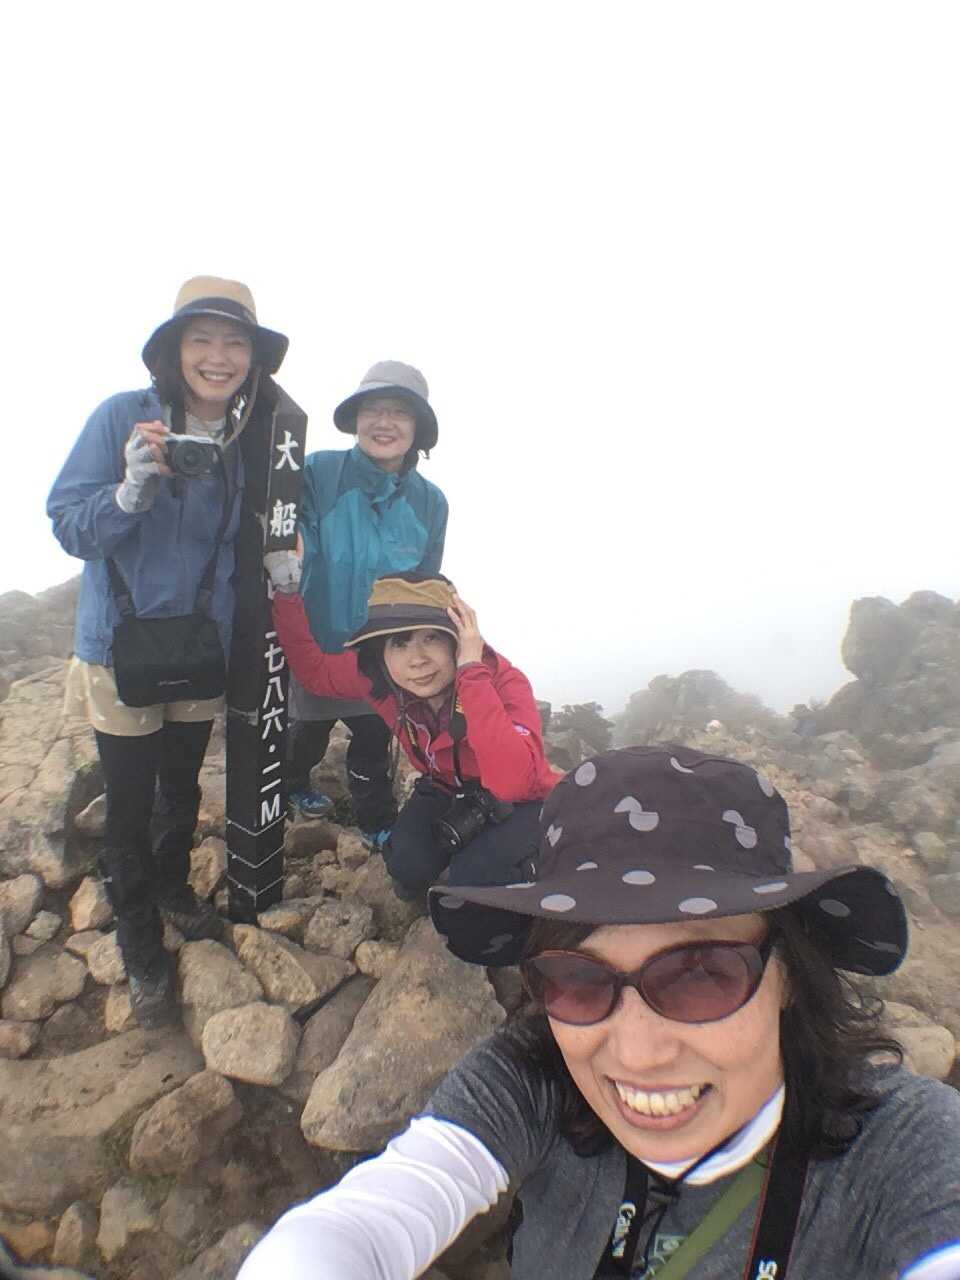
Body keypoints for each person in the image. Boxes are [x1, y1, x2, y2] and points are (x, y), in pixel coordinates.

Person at [237, 745, 960, 1280]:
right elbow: (361, 1225)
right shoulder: (533, 1079)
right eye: (578, 981)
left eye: (701, 976)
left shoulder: (901, 1149)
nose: (638, 1053)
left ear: (790, 975)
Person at [48, 276, 288, 1028]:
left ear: (252, 359)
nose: (218, 357)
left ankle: (174, 888)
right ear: (174, 351)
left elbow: (248, 539)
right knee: (127, 805)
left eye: (235, 343)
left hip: (197, 649)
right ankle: (139, 942)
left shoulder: (244, 444)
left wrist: (287, 559)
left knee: (180, 788)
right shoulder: (123, 418)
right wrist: (128, 491)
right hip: (121, 650)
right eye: (201, 339)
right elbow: (68, 524)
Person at [264, 565, 557, 899]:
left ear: (458, 640)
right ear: (381, 652)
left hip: (521, 801)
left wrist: (471, 674)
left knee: (476, 883)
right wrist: (286, 590)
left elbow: (514, 782)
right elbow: (314, 671)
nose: (417, 660)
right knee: (406, 869)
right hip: (446, 786)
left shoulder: (503, 681)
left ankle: (542, 853)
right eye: (399, 642)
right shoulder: (381, 678)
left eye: (431, 637)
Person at [286, 361, 448, 844]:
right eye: (373, 409)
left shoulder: (431, 502)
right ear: (355, 419)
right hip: (316, 643)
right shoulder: (317, 473)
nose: (384, 422)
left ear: (418, 428)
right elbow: (286, 540)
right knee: (306, 735)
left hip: (382, 654)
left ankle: (377, 823)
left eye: (399, 412)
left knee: (374, 742)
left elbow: (425, 586)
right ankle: (293, 784)